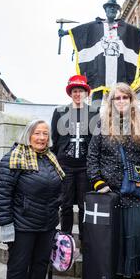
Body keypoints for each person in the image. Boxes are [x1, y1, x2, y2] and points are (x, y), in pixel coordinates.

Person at [87, 83, 140, 279]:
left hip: (137, 191)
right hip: (111, 193)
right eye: (116, 98)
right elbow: (92, 157)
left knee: (138, 235)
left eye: (124, 98)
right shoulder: (102, 124)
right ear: (111, 102)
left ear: (131, 99)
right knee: (118, 237)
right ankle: (123, 276)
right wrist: (98, 182)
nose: (120, 101)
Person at [0, 119, 65, 279]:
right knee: (17, 270)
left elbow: (58, 189)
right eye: (37, 133)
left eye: (45, 134)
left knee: (40, 265)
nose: (42, 137)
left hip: (46, 225)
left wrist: (56, 210)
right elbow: (2, 195)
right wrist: (6, 227)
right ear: (28, 135)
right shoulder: (13, 158)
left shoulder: (50, 159)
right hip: (22, 226)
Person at [58, 0, 140, 100]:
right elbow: (82, 30)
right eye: (110, 7)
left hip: (118, 71)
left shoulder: (124, 27)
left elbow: (138, 33)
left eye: (115, 8)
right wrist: (65, 32)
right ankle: (94, 115)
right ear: (105, 10)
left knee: (118, 98)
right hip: (100, 70)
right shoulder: (96, 26)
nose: (112, 10)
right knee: (97, 96)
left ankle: (119, 115)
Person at [51, 75, 98, 245]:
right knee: (66, 205)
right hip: (66, 167)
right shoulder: (59, 112)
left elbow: (96, 140)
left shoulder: (94, 112)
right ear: (70, 93)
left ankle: (86, 240)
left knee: (85, 205)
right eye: (75, 91)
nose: (78, 94)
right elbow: (54, 140)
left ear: (86, 93)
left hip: (85, 167)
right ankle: (65, 239)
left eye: (81, 91)